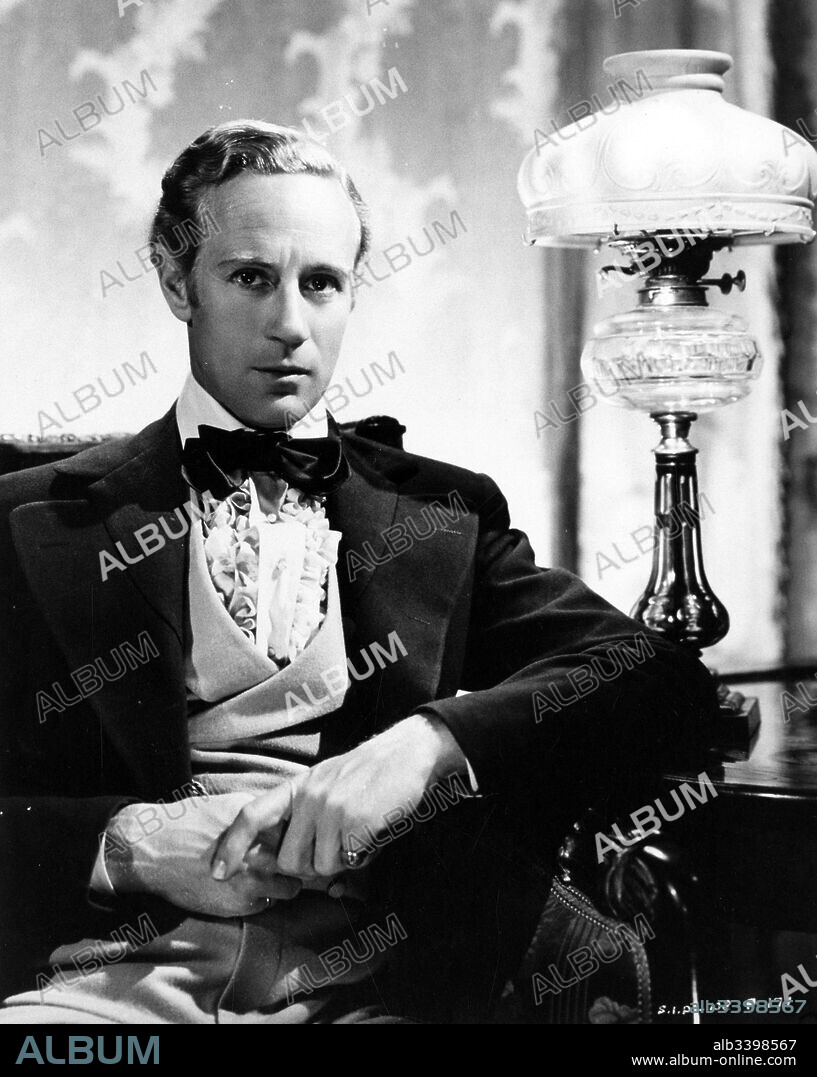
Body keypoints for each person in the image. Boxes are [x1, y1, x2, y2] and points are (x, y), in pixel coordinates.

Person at [0, 121, 718, 1024]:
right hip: (107, 988)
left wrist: (428, 744)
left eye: (321, 283)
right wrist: (127, 842)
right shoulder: (33, 518)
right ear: (177, 282)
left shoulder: (439, 514)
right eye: (250, 277)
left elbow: (657, 681)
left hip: (373, 990)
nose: (290, 325)